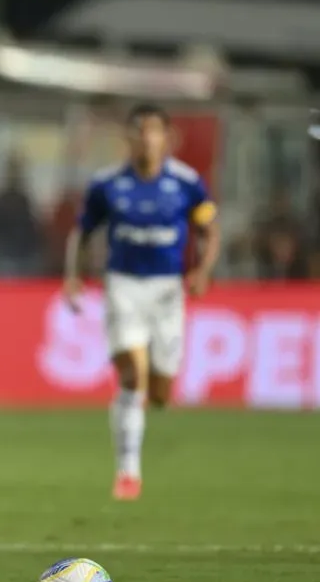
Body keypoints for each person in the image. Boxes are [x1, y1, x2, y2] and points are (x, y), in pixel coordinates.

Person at [63, 103, 220, 501]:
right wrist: (73, 275)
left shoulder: (187, 183)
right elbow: (81, 233)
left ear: (167, 138)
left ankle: (148, 398)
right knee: (133, 376)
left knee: (163, 393)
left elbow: (209, 231)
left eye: (152, 131)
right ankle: (128, 471)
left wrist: (202, 270)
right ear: (128, 138)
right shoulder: (107, 184)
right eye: (138, 131)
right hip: (123, 285)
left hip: (168, 291)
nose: (145, 138)